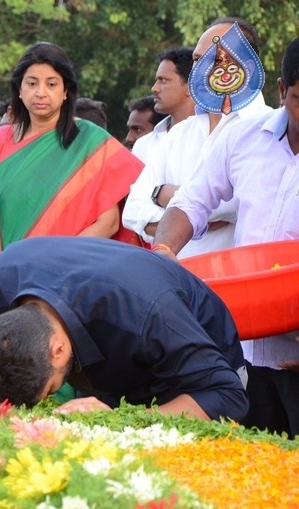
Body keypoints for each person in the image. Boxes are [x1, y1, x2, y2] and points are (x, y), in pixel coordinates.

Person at [153, 36, 299, 437]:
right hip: (241, 350)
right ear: (283, 91)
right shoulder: (243, 138)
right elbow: (190, 202)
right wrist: (163, 252)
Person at [0, 236, 249, 423]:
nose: (49, 398)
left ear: (57, 349)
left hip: (194, 373)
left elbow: (227, 396)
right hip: (116, 365)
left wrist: (124, 421)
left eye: (50, 391)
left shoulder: (146, 311)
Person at [0, 42, 144, 265]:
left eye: (51, 84)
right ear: (19, 90)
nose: (40, 93)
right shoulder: (1, 140)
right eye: (32, 83)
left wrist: (54, 262)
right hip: (12, 276)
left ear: (65, 91)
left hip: (72, 272)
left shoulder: (91, 141)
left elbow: (109, 222)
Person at [122, 18, 271, 259]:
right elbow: (132, 211)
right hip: (177, 280)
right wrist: (182, 223)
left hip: (238, 281)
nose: (201, 70)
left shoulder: (269, 129)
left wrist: (165, 195)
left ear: (247, 67)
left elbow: (239, 205)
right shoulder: (179, 132)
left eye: (215, 59)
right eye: (197, 60)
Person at [130, 48, 195, 160]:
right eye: (156, 81)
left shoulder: (211, 138)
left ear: (190, 86)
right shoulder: (143, 145)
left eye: (163, 81)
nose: (154, 88)